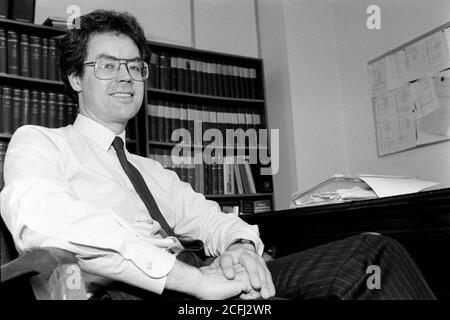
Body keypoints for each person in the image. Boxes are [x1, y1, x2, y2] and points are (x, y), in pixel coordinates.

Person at [0, 10, 436, 300]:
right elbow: (40, 224)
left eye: (135, 66)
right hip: (150, 293)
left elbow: (212, 219)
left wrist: (241, 248)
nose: (126, 77)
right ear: (76, 78)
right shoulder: (40, 142)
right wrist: (193, 281)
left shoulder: (151, 172)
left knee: (370, 254)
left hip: (207, 279)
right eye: (107, 65)